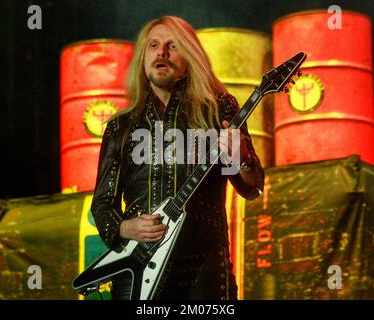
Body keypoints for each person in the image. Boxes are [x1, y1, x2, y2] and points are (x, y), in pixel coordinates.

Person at [91, 16, 264, 300]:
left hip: (203, 268)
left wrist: (241, 157)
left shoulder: (218, 109)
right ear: (143, 58)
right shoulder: (120, 126)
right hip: (136, 269)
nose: (161, 53)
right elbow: (102, 205)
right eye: (154, 46)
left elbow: (253, 187)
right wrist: (125, 227)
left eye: (173, 46)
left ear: (190, 58)